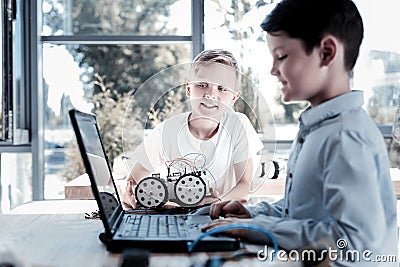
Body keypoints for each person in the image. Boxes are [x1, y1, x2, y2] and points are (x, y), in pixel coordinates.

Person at [202, 0, 398, 265]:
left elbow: (355, 244)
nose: (273, 70)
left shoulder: (346, 136)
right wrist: (254, 215)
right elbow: (306, 211)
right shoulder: (319, 128)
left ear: (326, 53)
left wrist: (261, 229)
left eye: (281, 56)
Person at [123, 49, 263, 208]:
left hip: (222, 217)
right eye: (202, 85)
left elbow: (245, 186)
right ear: (189, 89)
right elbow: (131, 183)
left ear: (233, 98)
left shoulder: (238, 125)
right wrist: (139, 198)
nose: (210, 94)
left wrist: (214, 203)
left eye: (222, 88)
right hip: (178, 218)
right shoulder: (166, 131)